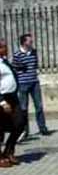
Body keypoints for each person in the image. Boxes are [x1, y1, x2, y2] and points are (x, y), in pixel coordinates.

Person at [12, 33, 49, 139]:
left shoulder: (34, 52)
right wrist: (21, 69)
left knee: (39, 106)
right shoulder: (17, 54)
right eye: (30, 41)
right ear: (24, 42)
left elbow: (35, 64)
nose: (32, 42)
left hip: (34, 82)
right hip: (23, 83)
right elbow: (15, 68)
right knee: (24, 108)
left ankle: (42, 128)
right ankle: (25, 130)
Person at [0, 39, 26, 167]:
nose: (6, 49)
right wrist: (2, 102)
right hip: (2, 99)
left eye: (5, 47)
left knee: (20, 122)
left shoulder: (4, 61)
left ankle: (8, 151)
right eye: (4, 47)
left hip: (12, 97)